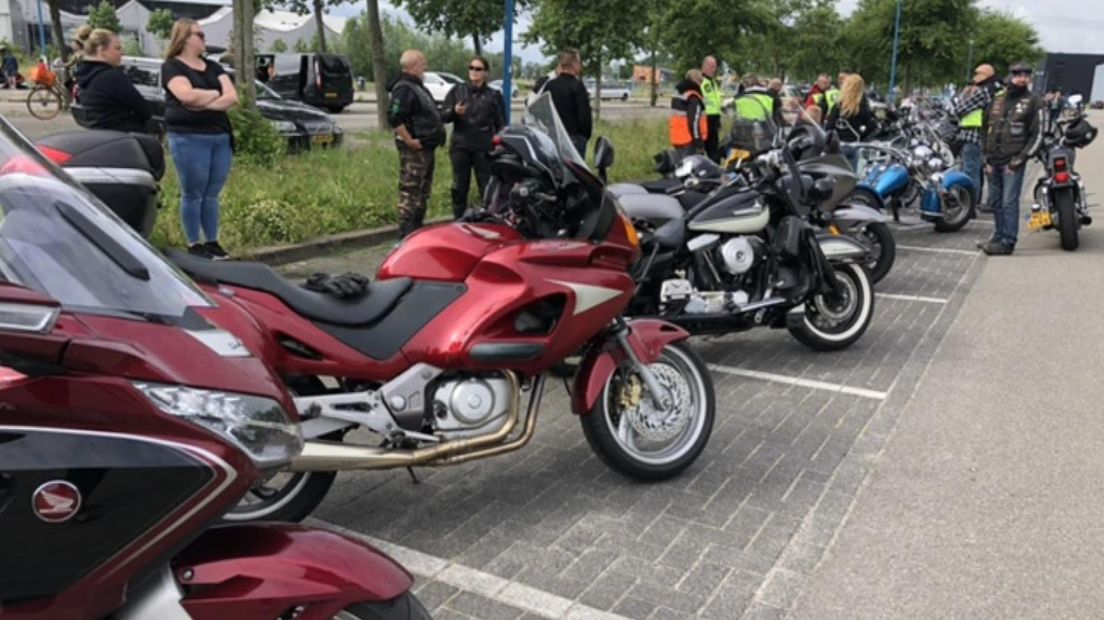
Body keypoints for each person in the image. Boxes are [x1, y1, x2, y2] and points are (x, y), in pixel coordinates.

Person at [161, 18, 238, 260]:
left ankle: (213, 241)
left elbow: (232, 97)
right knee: (193, 192)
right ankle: (194, 243)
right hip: (188, 137)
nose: (204, 39)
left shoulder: (214, 68)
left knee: (212, 192)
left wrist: (203, 101)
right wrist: (215, 94)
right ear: (184, 38)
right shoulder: (172, 67)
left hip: (219, 136)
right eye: (200, 35)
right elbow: (185, 95)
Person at [978, 62, 1045, 256]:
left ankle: (1008, 241)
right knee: (996, 202)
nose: (1022, 78)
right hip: (993, 159)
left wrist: (1021, 158)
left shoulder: (1034, 101)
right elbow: (985, 127)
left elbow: (1038, 134)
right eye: (1018, 74)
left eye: (1026, 74)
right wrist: (986, 158)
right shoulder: (998, 98)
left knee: (1009, 202)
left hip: (1012, 161)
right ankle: (998, 237)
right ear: (1010, 76)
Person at [387, 49, 446, 238]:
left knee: (422, 191)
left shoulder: (416, 86)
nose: (425, 67)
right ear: (414, 66)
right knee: (411, 190)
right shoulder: (404, 88)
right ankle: (405, 234)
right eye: (423, 63)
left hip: (426, 147)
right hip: (414, 150)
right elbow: (394, 117)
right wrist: (409, 140)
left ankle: (416, 231)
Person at [441, 55, 505, 219]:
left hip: (483, 147)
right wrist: (454, 111)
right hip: (461, 146)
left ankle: (487, 219)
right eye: (471, 68)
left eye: (478, 69)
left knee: (486, 186)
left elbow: (501, 124)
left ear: (485, 73)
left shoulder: (494, 95)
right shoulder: (457, 90)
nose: (474, 72)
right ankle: (458, 219)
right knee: (459, 186)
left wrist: (500, 144)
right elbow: (443, 115)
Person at [73, 29, 151, 133]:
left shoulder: (84, 78)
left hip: (97, 137)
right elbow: (144, 110)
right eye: (117, 48)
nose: (122, 52)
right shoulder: (112, 78)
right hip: (121, 138)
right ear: (102, 50)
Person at [952, 63, 999, 205]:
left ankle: (969, 204)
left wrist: (964, 96)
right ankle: (975, 202)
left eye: (978, 74)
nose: (975, 77)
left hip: (971, 136)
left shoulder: (981, 92)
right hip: (978, 136)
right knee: (976, 171)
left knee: (969, 172)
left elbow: (959, 109)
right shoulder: (993, 90)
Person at [542, 49, 591, 157]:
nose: (580, 65)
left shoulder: (549, 86)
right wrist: (585, 136)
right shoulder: (577, 86)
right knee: (574, 172)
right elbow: (584, 115)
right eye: (579, 62)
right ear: (574, 64)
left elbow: (544, 112)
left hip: (553, 138)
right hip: (574, 138)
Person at [826, 73, 877, 170]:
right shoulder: (863, 108)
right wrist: (861, 136)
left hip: (838, 145)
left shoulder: (837, 107)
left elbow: (829, 127)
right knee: (850, 177)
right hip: (853, 145)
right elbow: (871, 126)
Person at [669, 69, 707, 156]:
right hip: (689, 141)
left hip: (677, 138)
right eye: (700, 80)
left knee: (681, 167)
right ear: (695, 80)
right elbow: (693, 123)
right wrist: (699, 144)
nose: (701, 84)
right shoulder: (693, 97)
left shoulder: (679, 94)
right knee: (692, 167)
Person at [700, 55, 723, 161]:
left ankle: (714, 168)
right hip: (705, 118)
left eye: (715, 67)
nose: (713, 69)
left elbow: (715, 101)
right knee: (704, 147)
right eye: (711, 67)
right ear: (704, 66)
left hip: (715, 118)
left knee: (714, 147)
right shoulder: (701, 81)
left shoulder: (713, 82)